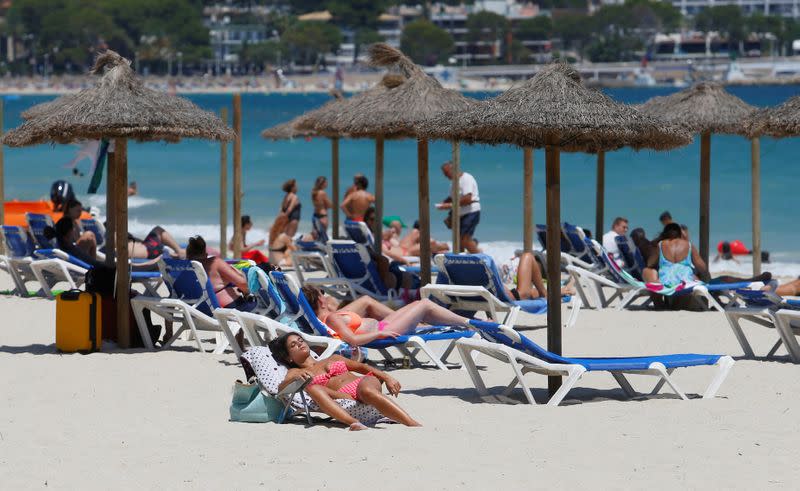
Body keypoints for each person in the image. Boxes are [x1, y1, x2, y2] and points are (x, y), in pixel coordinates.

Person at [269, 332, 420, 430]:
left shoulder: (333, 358)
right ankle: (353, 422)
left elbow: (361, 367)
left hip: (363, 383)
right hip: (341, 396)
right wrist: (295, 378)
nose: (300, 344)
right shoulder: (296, 372)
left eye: (300, 340)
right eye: (293, 345)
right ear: (289, 357)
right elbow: (281, 388)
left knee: (367, 390)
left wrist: (387, 377)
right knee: (313, 388)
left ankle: (411, 423)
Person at [301, 284, 472, 345]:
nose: (325, 295)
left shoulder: (322, 319)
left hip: (383, 326)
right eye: (321, 292)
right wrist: (379, 333)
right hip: (384, 331)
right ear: (320, 301)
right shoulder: (331, 318)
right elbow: (352, 340)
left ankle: (458, 322)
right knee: (425, 304)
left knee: (416, 305)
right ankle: (469, 322)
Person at [186, 236, 254, 311]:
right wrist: (246, 292)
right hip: (225, 309)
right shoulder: (215, 262)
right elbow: (243, 284)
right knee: (253, 300)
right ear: (205, 254)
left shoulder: (184, 267)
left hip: (195, 308)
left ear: (188, 255)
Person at [643, 223, 709, 287]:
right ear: (680, 234)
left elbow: (650, 263)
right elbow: (702, 267)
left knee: (646, 270)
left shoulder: (661, 244)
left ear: (665, 234)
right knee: (694, 276)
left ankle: (658, 297)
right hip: (686, 281)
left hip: (666, 282)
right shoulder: (688, 245)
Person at [436, 161, 480, 253]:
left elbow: (467, 198)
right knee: (458, 241)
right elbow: (451, 197)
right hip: (461, 213)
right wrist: (443, 203)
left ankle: (482, 259)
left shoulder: (466, 178)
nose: (445, 176)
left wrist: (449, 205)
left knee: (465, 240)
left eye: (446, 173)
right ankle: (461, 259)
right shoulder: (454, 182)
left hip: (471, 211)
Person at [503, 252, 573, 300]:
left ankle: (549, 292)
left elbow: (530, 293)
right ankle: (546, 293)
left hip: (512, 295)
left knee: (529, 256)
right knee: (528, 256)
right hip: (513, 296)